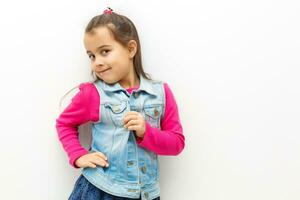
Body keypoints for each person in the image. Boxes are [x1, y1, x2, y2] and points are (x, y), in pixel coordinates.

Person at [55, 7, 185, 200]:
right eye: (91, 55)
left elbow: (177, 143)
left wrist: (145, 132)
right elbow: (64, 123)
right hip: (100, 189)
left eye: (104, 51)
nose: (97, 62)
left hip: (145, 194)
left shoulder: (160, 93)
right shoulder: (93, 94)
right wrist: (78, 154)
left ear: (131, 49)